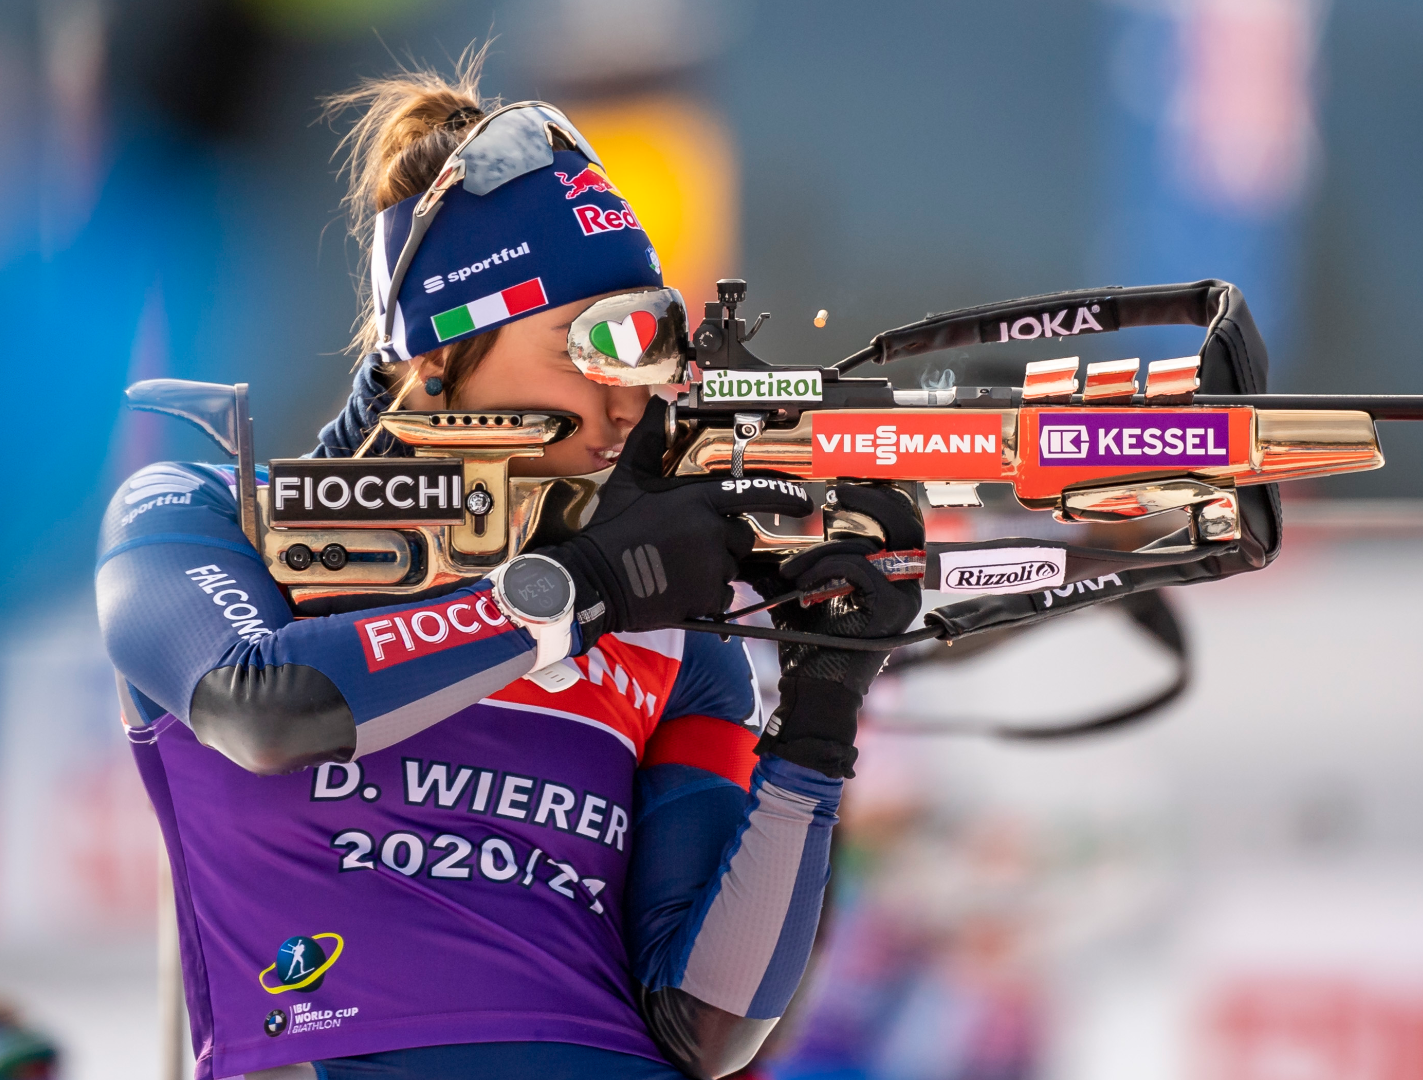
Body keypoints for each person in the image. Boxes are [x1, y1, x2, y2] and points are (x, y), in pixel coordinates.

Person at [94, 54, 922, 1080]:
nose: (629, 403)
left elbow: (707, 1025)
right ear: (436, 350)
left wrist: (818, 717)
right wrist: (578, 593)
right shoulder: (206, 513)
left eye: (650, 354)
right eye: (590, 348)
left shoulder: (666, 633)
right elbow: (264, 706)